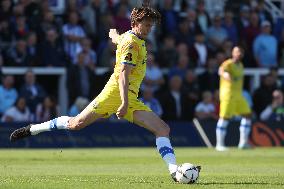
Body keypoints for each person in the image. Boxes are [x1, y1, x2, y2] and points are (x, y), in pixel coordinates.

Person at [9, 5, 200, 182]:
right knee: (76, 124)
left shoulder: (131, 38)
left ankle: (174, 171)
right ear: (135, 24)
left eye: (151, 25)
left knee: (163, 129)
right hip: (115, 94)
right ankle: (34, 129)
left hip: (129, 96)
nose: (150, 29)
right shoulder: (133, 43)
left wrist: (114, 35)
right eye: (147, 25)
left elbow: (120, 41)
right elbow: (124, 74)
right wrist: (124, 103)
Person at [216, 46, 252, 151]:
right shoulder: (228, 63)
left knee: (247, 115)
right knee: (224, 118)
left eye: (241, 52)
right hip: (228, 95)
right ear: (232, 53)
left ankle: (243, 143)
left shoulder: (241, 65)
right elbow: (221, 70)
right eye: (237, 51)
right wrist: (225, 74)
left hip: (238, 95)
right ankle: (219, 144)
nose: (239, 54)